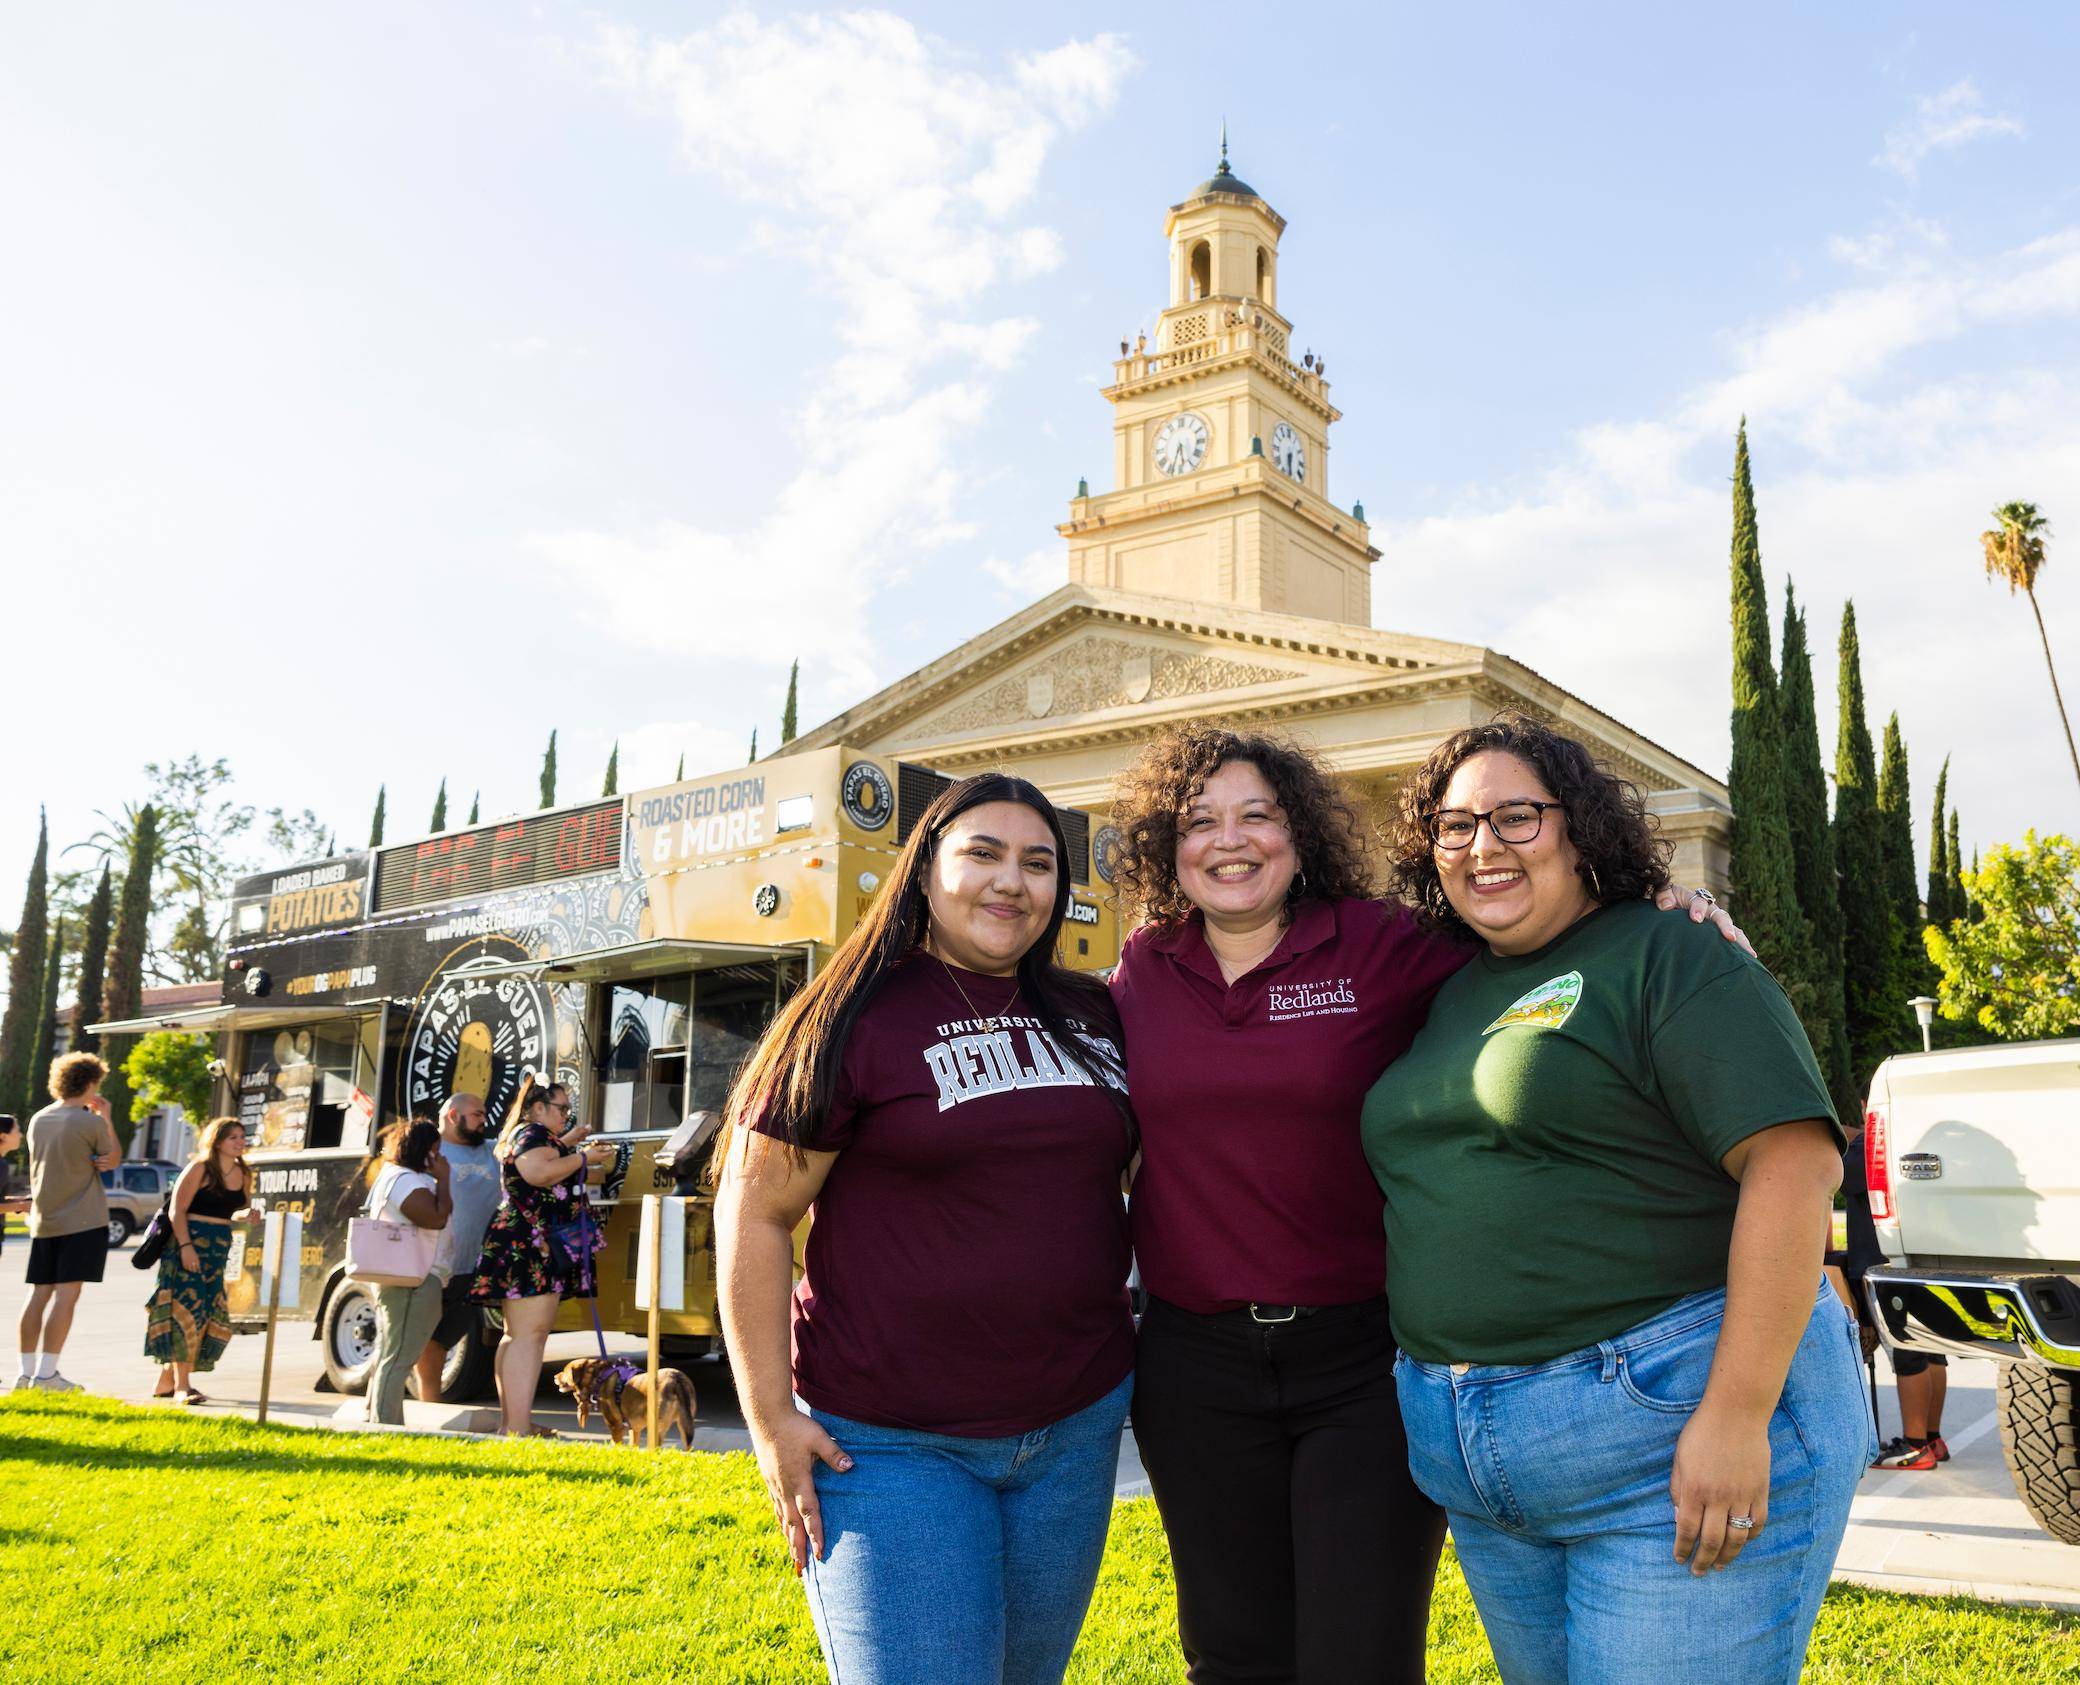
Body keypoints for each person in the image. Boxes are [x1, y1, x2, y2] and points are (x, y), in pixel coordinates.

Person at [1106, 724, 1747, 1684]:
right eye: (1199, 821)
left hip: (1360, 1363)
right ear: (1169, 843)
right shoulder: (1142, 969)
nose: (1229, 840)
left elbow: (1537, 936)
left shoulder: (1382, 945)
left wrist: (1654, 903)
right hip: (1194, 1364)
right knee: (1232, 1652)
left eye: (1258, 815)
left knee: (1358, 1655)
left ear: (1300, 834)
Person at [1362, 714, 1871, 1682]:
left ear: (1579, 824)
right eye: (1455, 826)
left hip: (1667, 1433)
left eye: (1516, 816)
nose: (1484, 846)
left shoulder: (1668, 953)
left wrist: (1736, 1412)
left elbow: (1794, 1164)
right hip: (1484, 1469)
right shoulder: (1448, 987)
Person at [715, 773, 1135, 1685]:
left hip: (1074, 1429)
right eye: (981, 853)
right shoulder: (848, 1016)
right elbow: (755, 1211)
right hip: (892, 1443)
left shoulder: (1094, 1015)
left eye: (1037, 863)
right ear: (924, 871)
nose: (1010, 882)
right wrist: (769, 1415)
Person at [470, 1073, 614, 1437]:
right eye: (561, 1108)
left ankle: (512, 1424)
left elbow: (543, 1160)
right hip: (531, 1244)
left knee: (516, 1335)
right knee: (529, 1337)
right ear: (537, 1107)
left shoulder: (527, 1134)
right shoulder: (531, 1133)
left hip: (522, 1241)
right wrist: (583, 1156)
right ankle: (516, 1427)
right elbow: (537, 1171)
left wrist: (570, 1143)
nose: (566, 1114)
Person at [1835, 1125, 1948, 1469]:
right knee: (1931, 1350)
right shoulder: (1918, 1136)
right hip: (1920, 1255)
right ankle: (1931, 1438)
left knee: (1906, 1355)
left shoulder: (1870, 1145)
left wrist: (1844, 1138)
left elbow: (1836, 1175)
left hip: (1883, 1262)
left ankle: (1914, 1446)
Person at [17, 1053, 122, 1394]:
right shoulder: (88, 1121)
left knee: (38, 1294)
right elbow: (111, 1161)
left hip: (45, 1218)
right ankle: (48, 1376)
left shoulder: (39, 1119)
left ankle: (26, 1373)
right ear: (90, 1083)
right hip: (83, 1219)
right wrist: (105, 1117)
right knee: (67, 1296)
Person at [145, 1116, 255, 1405]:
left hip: (218, 1248)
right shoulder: (200, 1168)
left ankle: (166, 1382)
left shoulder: (244, 1173)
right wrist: (185, 1246)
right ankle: (183, 1386)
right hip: (187, 1244)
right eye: (234, 1137)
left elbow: (233, 1211)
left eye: (242, 1137)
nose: (240, 1142)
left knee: (207, 1314)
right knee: (186, 1310)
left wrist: (246, 1216)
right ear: (218, 1141)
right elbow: (176, 1211)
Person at [362, 1117, 451, 1425]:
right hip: (412, 1278)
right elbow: (436, 1218)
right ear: (423, 1149)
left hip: (403, 1277)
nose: (440, 1157)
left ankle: (375, 1417)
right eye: (436, 1150)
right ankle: (386, 1425)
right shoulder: (405, 1181)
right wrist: (444, 1179)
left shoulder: (394, 1175)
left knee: (390, 1351)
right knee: (399, 1356)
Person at [411, 1090, 499, 1407]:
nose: (483, 1121)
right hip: (435, 1265)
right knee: (418, 1337)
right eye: (477, 1114)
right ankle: (425, 1406)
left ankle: (428, 1408)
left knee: (441, 1340)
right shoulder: (431, 1152)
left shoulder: (492, 1151)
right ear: (452, 1115)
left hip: (474, 1268)